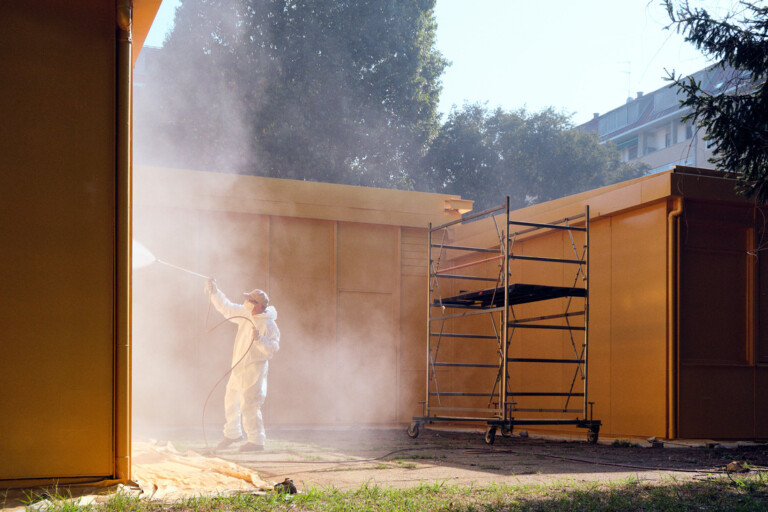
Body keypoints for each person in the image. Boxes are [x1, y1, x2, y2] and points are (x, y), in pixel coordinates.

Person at [205, 279, 280, 452]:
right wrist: (215, 292)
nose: (246, 302)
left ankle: (256, 441)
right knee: (230, 398)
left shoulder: (268, 324)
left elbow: (272, 350)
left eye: (250, 300)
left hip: (254, 369)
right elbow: (227, 307)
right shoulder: (245, 314)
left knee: (250, 404)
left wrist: (259, 339)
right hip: (239, 367)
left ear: (259, 305)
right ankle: (232, 433)